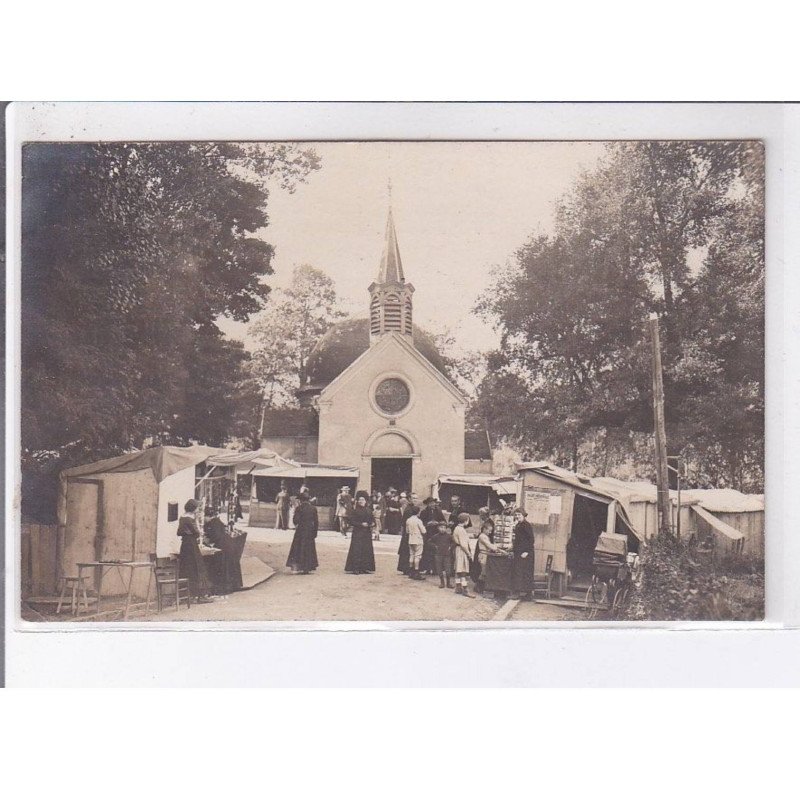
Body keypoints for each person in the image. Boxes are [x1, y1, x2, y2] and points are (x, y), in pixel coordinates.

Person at [203, 508, 247, 594]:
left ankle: (224, 588)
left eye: (205, 517)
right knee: (229, 567)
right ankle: (232, 586)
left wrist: (208, 539)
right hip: (228, 545)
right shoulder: (216, 522)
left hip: (223, 546)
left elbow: (216, 536)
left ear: (207, 516)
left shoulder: (213, 523)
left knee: (223, 566)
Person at [177, 499, 213, 603]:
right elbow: (197, 533)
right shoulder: (190, 518)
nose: (198, 510)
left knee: (187, 569)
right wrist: (198, 529)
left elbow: (179, 532)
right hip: (191, 545)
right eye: (197, 507)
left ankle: (188, 596)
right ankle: (200, 595)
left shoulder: (182, 517)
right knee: (198, 568)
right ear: (193, 508)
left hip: (184, 546)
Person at [287, 491, 319, 574]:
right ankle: (307, 567)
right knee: (308, 548)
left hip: (301, 530)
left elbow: (295, 521)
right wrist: (315, 533)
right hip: (310, 530)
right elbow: (316, 522)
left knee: (298, 548)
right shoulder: (313, 508)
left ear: (300, 500)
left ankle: (298, 567)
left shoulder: (299, 508)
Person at [345, 493, 376, 574]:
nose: (361, 501)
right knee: (356, 550)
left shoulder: (369, 511)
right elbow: (351, 521)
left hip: (367, 533)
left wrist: (371, 524)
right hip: (358, 533)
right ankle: (355, 568)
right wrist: (360, 524)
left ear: (366, 501)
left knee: (366, 550)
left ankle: (365, 567)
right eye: (359, 500)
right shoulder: (354, 511)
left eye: (363, 500)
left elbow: (373, 521)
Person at [473, 519, 504, 592]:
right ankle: (478, 587)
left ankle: (480, 587)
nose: (490, 532)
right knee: (483, 572)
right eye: (489, 530)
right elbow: (489, 545)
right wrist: (499, 549)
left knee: (485, 572)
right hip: (483, 555)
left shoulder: (485, 536)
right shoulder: (482, 536)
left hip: (485, 555)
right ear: (484, 529)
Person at [512, 508, 535, 599]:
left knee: (526, 573)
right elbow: (518, 540)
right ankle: (519, 592)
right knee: (518, 572)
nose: (517, 516)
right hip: (519, 552)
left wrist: (527, 551)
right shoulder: (518, 525)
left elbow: (531, 540)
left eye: (519, 515)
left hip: (526, 553)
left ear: (524, 515)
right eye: (516, 515)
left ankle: (527, 594)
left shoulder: (526, 525)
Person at [419, 497, 445, 575]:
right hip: (428, 534)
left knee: (436, 551)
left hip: (436, 533)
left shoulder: (439, 511)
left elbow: (443, 521)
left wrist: (438, 523)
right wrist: (428, 523)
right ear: (427, 504)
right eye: (430, 503)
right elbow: (421, 523)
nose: (433, 504)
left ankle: (435, 569)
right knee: (427, 551)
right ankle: (427, 568)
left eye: (433, 502)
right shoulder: (424, 512)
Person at [451, 513, 475, 597]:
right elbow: (463, 544)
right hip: (461, 551)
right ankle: (465, 589)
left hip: (458, 550)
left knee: (458, 569)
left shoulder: (457, 528)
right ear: (466, 521)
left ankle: (458, 587)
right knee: (463, 570)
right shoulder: (461, 530)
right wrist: (468, 554)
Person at [396, 492, 420, 574]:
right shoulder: (409, 510)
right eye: (414, 498)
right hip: (409, 533)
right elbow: (405, 522)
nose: (416, 500)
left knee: (408, 551)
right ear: (409, 499)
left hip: (409, 533)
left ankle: (406, 568)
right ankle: (407, 569)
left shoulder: (412, 508)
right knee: (408, 551)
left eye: (416, 498)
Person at [430, 521, 454, 588]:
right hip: (438, 555)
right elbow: (429, 542)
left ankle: (448, 583)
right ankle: (442, 582)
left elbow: (453, 543)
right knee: (439, 569)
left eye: (444, 527)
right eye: (441, 527)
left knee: (448, 569)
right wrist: (435, 546)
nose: (442, 529)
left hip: (447, 555)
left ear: (446, 528)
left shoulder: (449, 536)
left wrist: (450, 547)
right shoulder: (435, 536)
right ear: (438, 528)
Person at [405, 506, 426, 580]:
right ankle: (416, 572)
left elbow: (407, 531)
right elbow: (424, 531)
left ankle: (411, 571)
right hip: (418, 539)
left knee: (411, 555)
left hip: (411, 539)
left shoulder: (408, 520)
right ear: (418, 512)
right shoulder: (418, 521)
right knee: (417, 556)